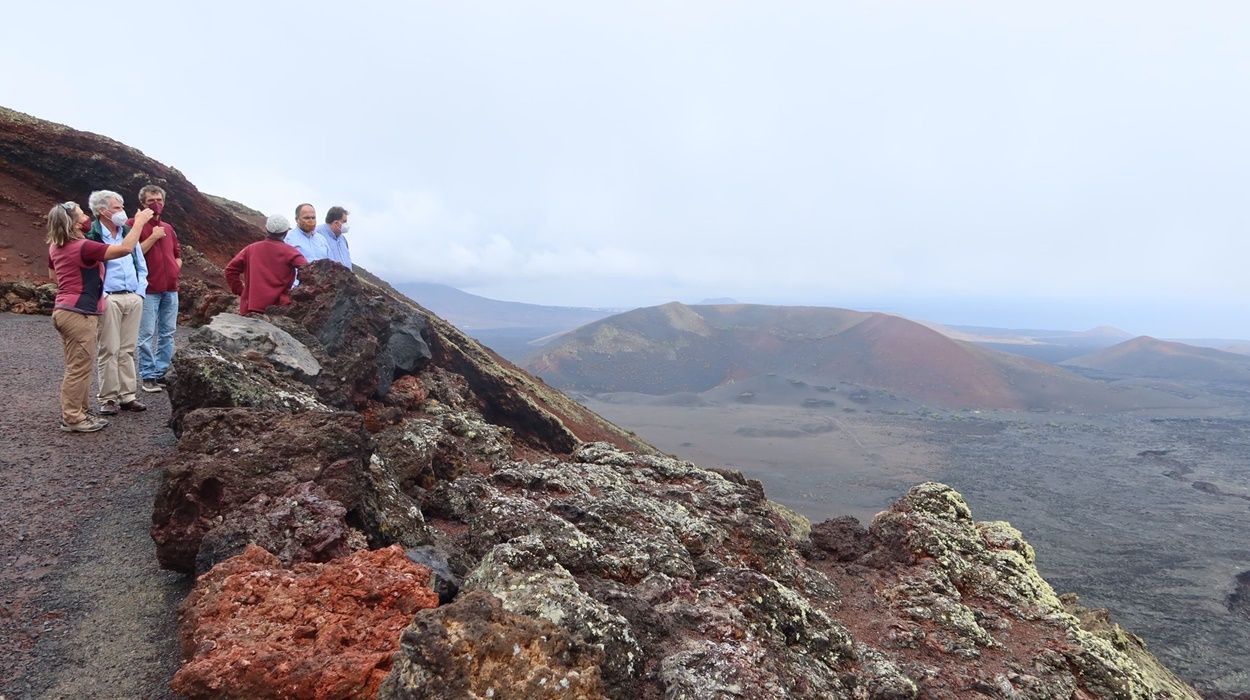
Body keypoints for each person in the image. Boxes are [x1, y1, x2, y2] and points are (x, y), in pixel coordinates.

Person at [46, 201, 153, 432]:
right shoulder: (84, 247)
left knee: (76, 365)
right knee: (79, 368)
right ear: (72, 222)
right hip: (80, 313)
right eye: (82, 214)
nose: (86, 217)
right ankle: (73, 418)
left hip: (64, 310)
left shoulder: (55, 246)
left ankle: (81, 412)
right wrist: (140, 222)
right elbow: (125, 249)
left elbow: (53, 276)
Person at [85, 190, 148, 414]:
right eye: (116, 208)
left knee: (127, 349)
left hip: (132, 295)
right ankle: (109, 398)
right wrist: (103, 296)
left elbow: (140, 263)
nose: (122, 212)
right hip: (109, 296)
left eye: (122, 207)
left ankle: (128, 395)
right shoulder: (92, 235)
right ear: (103, 211)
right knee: (109, 348)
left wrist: (140, 291)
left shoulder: (127, 232)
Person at [130, 184, 181, 393]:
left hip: (171, 287)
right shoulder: (134, 224)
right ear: (142, 203)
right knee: (146, 334)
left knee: (168, 332)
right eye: (151, 201)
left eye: (159, 200)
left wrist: (176, 268)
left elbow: (177, 254)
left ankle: (162, 372)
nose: (156, 204)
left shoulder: (168, 228)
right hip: (149, 288)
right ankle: (148, 374)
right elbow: (132, 253)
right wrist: (153, 237)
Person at [224, 215, 308, 315]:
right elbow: (309, 271)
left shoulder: (250, 249)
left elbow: (230, 270)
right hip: (279, 309)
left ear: (267, 229)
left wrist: (242, 291)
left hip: (250, 309)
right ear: (285, 233)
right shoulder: (291, 252)